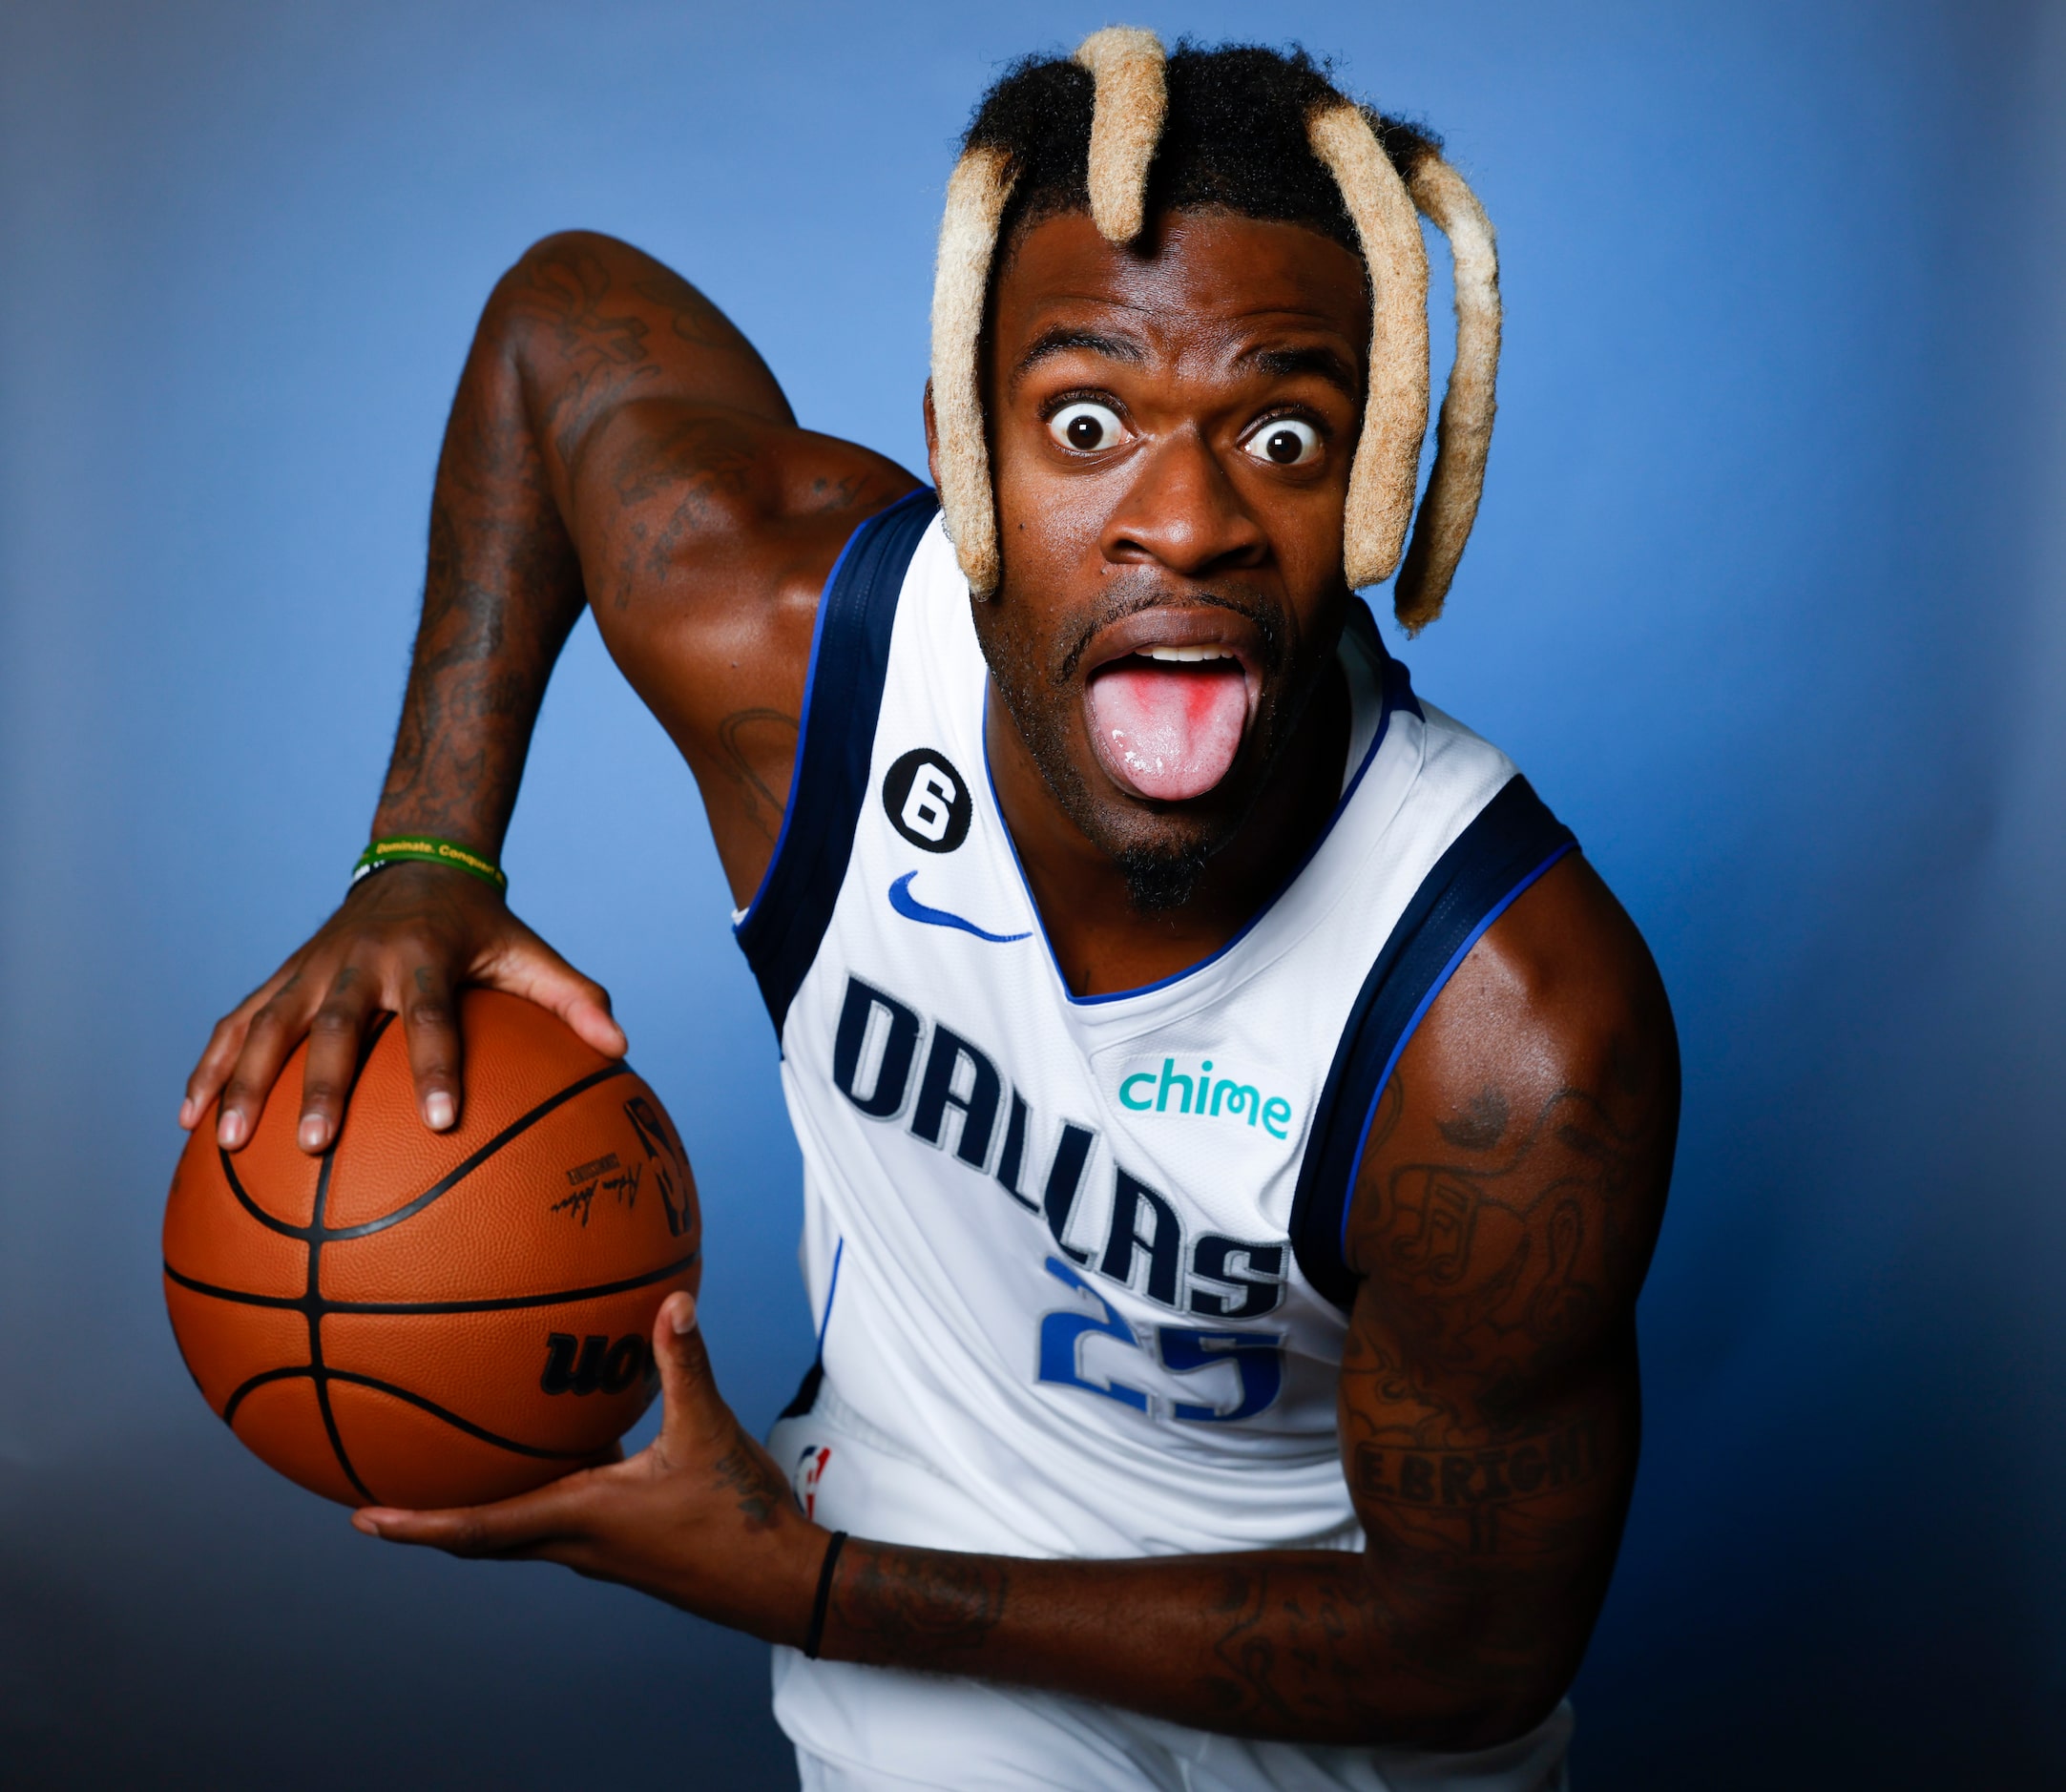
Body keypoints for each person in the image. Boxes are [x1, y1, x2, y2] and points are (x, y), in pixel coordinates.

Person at [180, 32, 1677, 1792]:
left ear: (1374, 483)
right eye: (1086, 421)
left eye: (1283, 431)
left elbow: (1471, 1648)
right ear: (966, 451)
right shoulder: (801, 664)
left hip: (1336, 1729)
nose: (1180, 521)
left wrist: (817, 1584)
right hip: (929, 1713)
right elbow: (559, 319)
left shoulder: (1505, 1028)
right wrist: (426, 852)